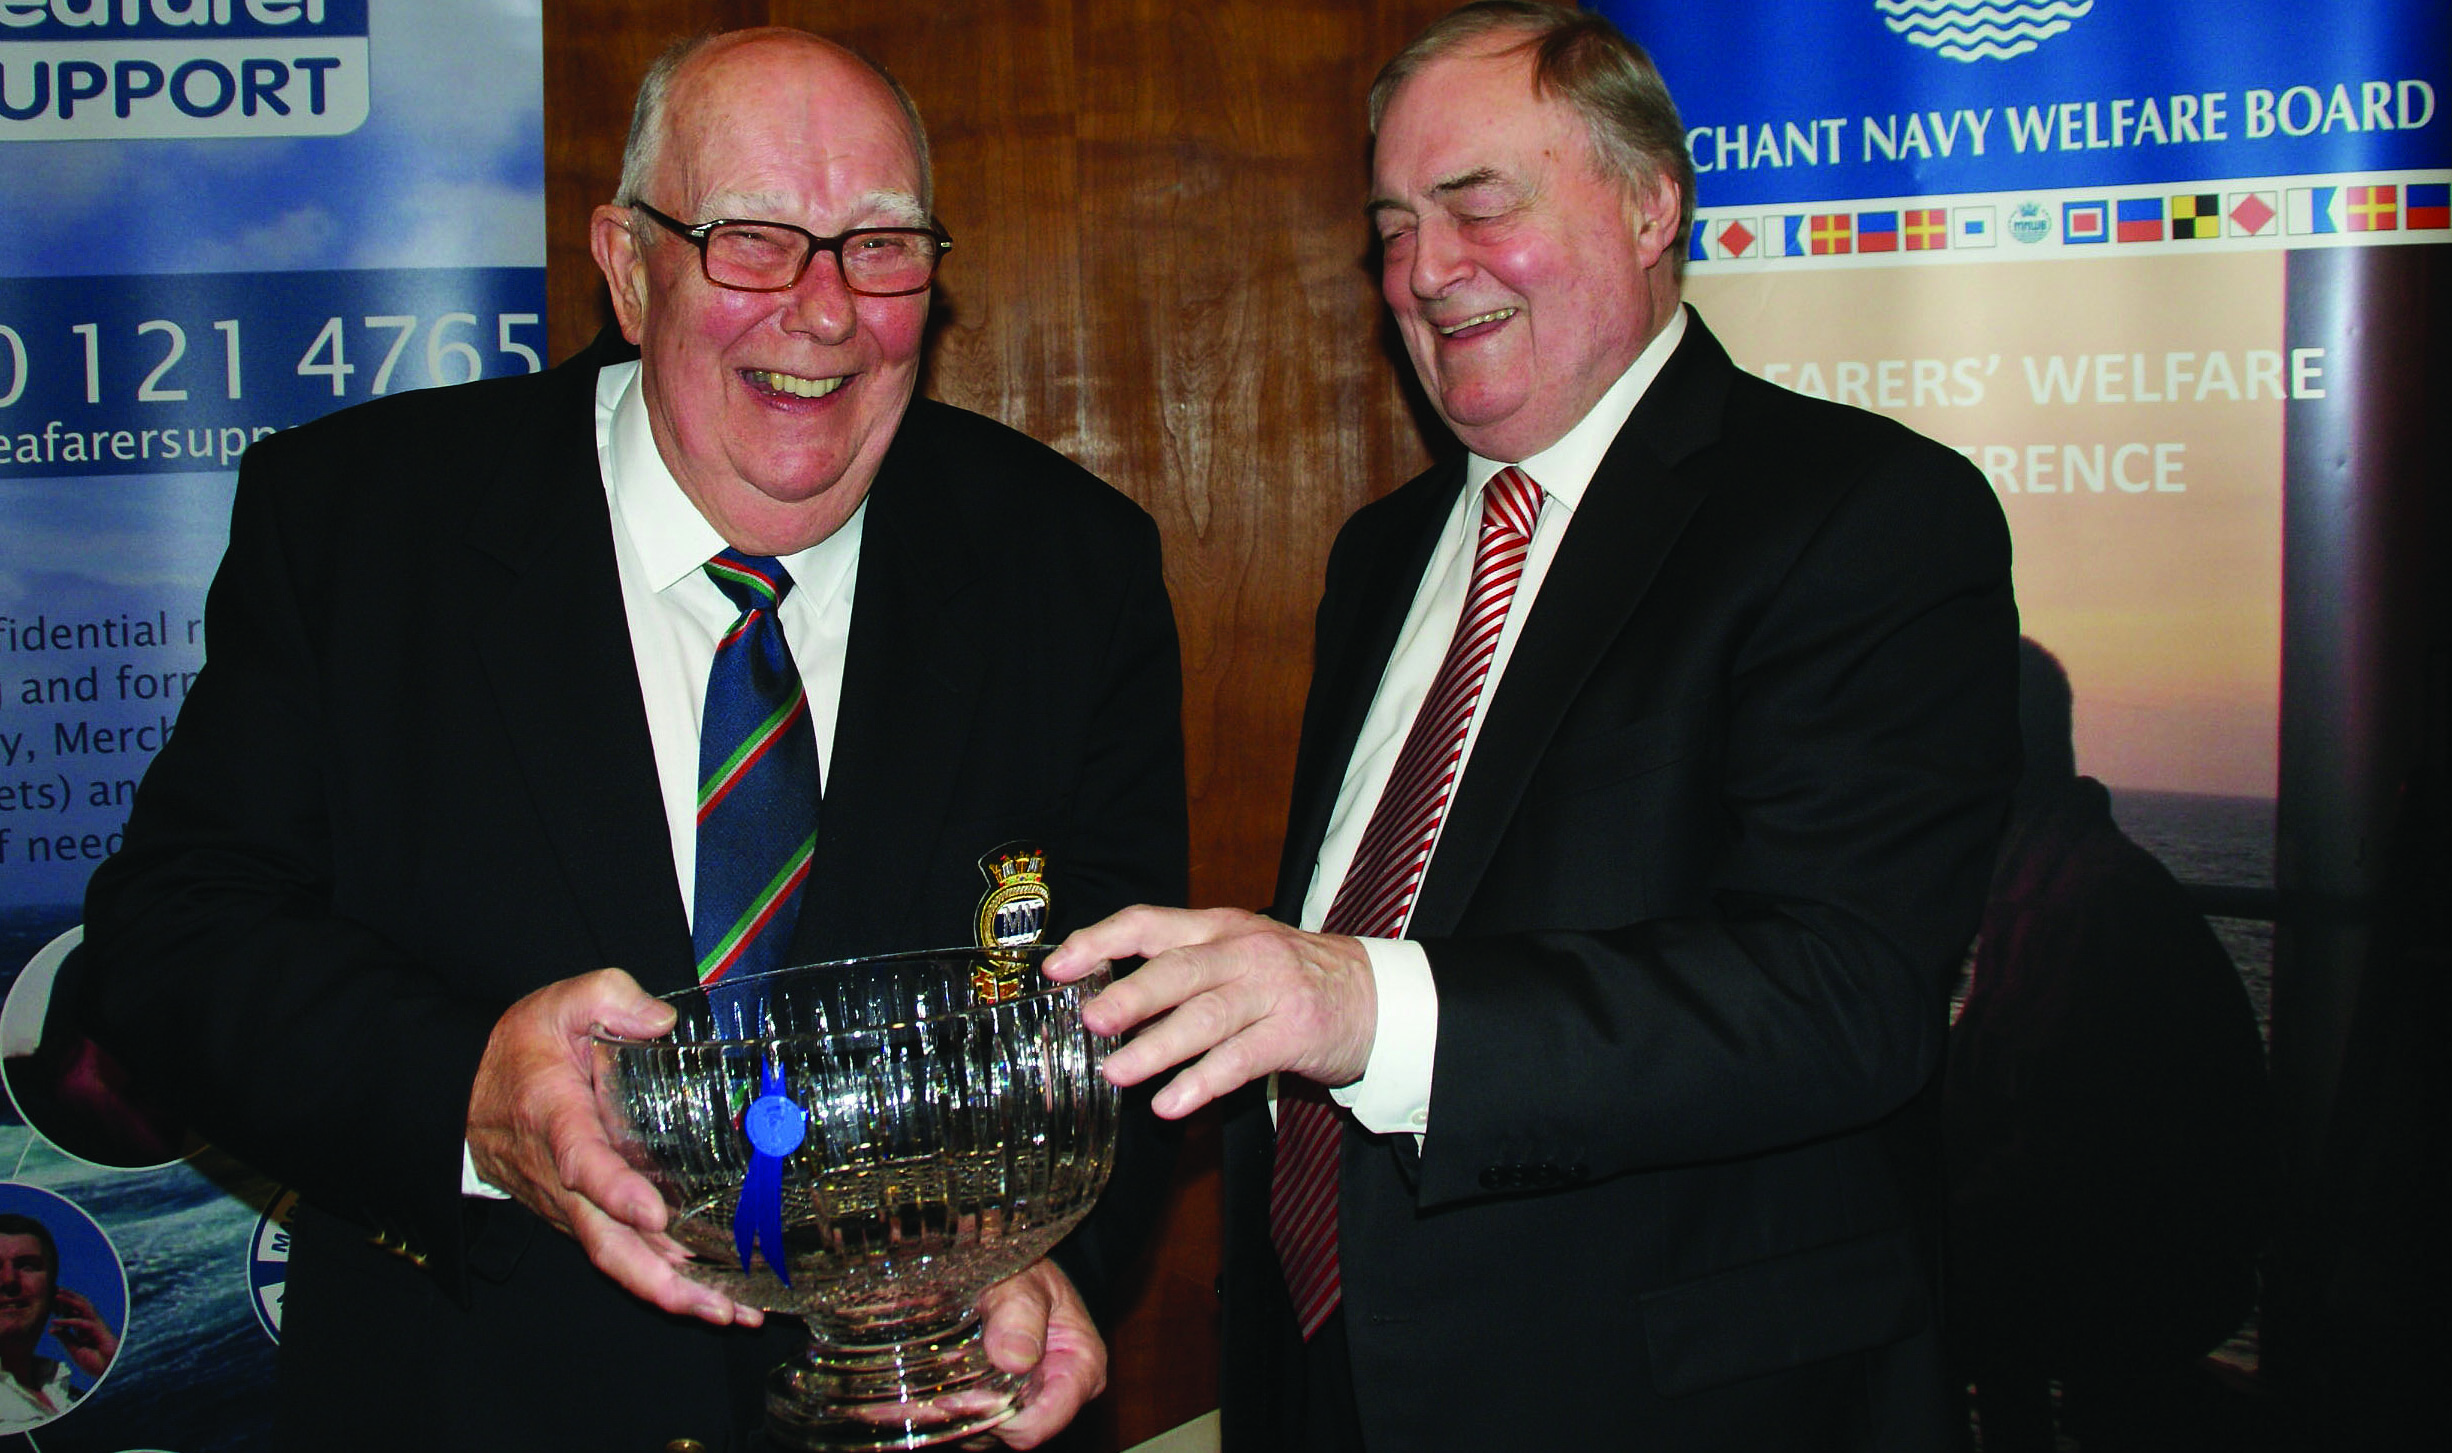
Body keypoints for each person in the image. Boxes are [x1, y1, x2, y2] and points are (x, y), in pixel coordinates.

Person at [70, 27, 1185, 1453]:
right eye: (751, 241)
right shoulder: (361, 525)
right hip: (476, 1404)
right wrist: (467, 1089)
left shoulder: (1067, 566)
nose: (824, 311)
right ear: (628, 259)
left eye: (881, 245)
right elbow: (170, 941)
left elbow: (1128, 1013)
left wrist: (1038, 1262)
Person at [1045, 4, 2018, 1448]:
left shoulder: (1862, 515)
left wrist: (1363, 1005)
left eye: (1476, 206)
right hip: (1330, 1375)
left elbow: (1844, 994)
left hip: (1668, 1400)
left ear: (1649, 205)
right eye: (1389, 227)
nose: (1424, 273)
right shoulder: (1382, 554)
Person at [1944, 639, 2278, 1452]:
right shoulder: (2068, 882)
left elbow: (2048, 1163)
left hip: (2143, 1272)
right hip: (2166, 1252)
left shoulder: (2065, 909)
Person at [0, 1213, 118, 1431]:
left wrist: (112, 1367)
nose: (9, 1280)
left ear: (54, 1293)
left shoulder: (66, 1394)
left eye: (27, 1266)